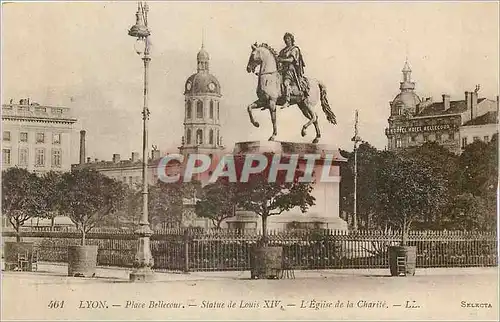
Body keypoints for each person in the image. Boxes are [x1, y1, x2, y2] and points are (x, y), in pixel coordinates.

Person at [277, 32, 308, 108]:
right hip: (282, 70)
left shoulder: (294, 49)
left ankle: (287, 101)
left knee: (286, 83)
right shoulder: (283, 51)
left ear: (291, 39)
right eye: (285, 39)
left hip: (290, 70)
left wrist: (281, 59)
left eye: (288, 38)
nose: (286, 40)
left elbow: (291, 59)